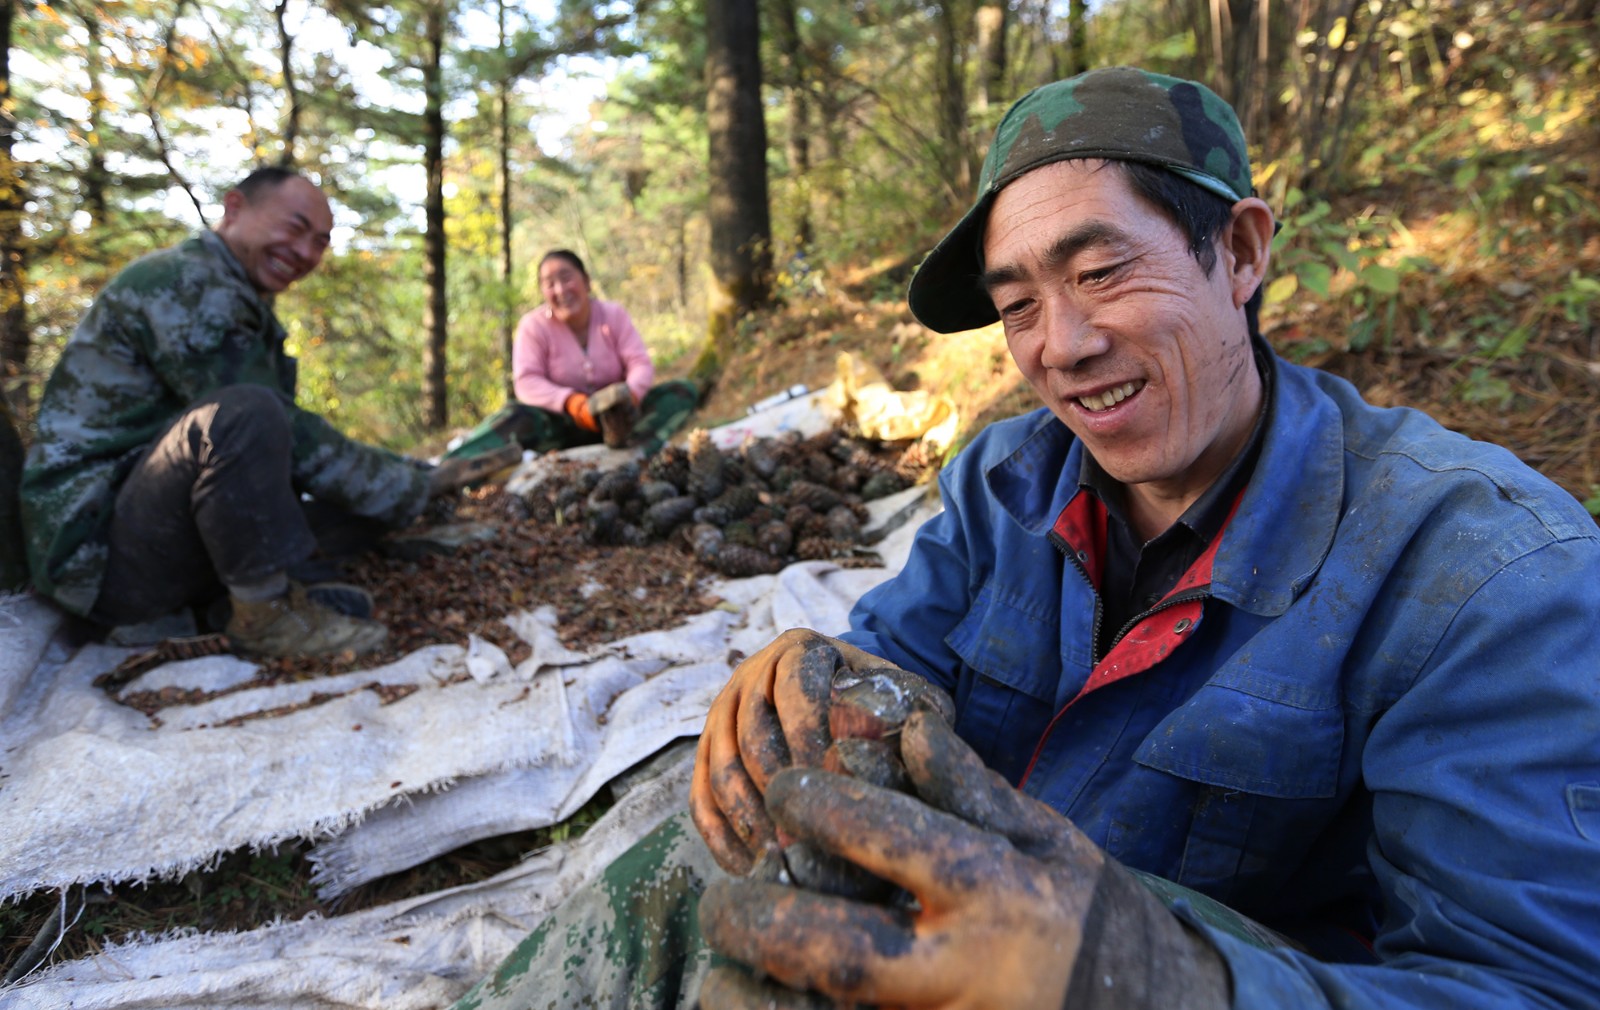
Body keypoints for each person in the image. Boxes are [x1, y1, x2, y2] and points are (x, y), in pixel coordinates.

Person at [449, 68, 1600, 1010]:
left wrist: (1147, 979)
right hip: (953, 940)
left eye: (1103, 271)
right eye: (1016, 306)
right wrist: (812, 678)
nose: (1063, 344)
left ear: (1242, 252)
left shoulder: (1484, 577)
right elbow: (899, 667)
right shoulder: (1010, 481)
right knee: (696, 856)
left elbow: (1534, 983)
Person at [19, 167, 484, 658]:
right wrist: (408, 485)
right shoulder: (186, 283)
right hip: (99, 557)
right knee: (245, 411)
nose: (306, 252)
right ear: (235, 208)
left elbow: (279, 455)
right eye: (294, 228)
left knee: (334, 500)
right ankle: (264, 614)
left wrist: (407, 481)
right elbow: (273, 427)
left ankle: (234, 601)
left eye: (321, 242)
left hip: (156, 525)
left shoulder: (237, 297)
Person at [444, 249, 698, 460]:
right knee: (515, 416)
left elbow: (639, 363)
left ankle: (635, 450)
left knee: (680, 391)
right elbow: (526, 381)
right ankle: (451, 468)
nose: (560, 290)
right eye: (549, 284)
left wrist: (630, 396)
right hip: (560, 425)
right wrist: (573, 404)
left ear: (586, 281)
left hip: (621, 422)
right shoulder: (533, 326)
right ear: (543, 292)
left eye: (566, 278)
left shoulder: (613, 315)